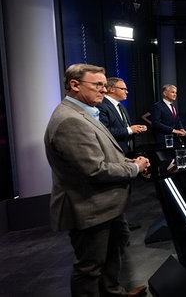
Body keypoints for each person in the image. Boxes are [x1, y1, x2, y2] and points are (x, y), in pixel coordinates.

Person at [44, 63, 149, 297]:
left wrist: (131, 163)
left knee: (113, 253)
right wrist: (133, 167)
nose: (104, 90)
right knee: (90, 267)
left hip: (106, 205)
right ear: (74, 85)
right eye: (98, 85)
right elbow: (94, 170)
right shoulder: (70, 120)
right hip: (89, 207)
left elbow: (103, 154)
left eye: (104, 85)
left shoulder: (86, 113)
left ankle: (113, 292)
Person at [97, 77, 148, 156]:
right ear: (111, 89)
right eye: (123, 89)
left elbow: (124, 127)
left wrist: (136, 129)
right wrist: (130, 130)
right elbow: (104, 131)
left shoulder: (121, 106)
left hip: (128, 152)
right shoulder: (101, 106)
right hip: (113, 153)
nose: (126, 92)